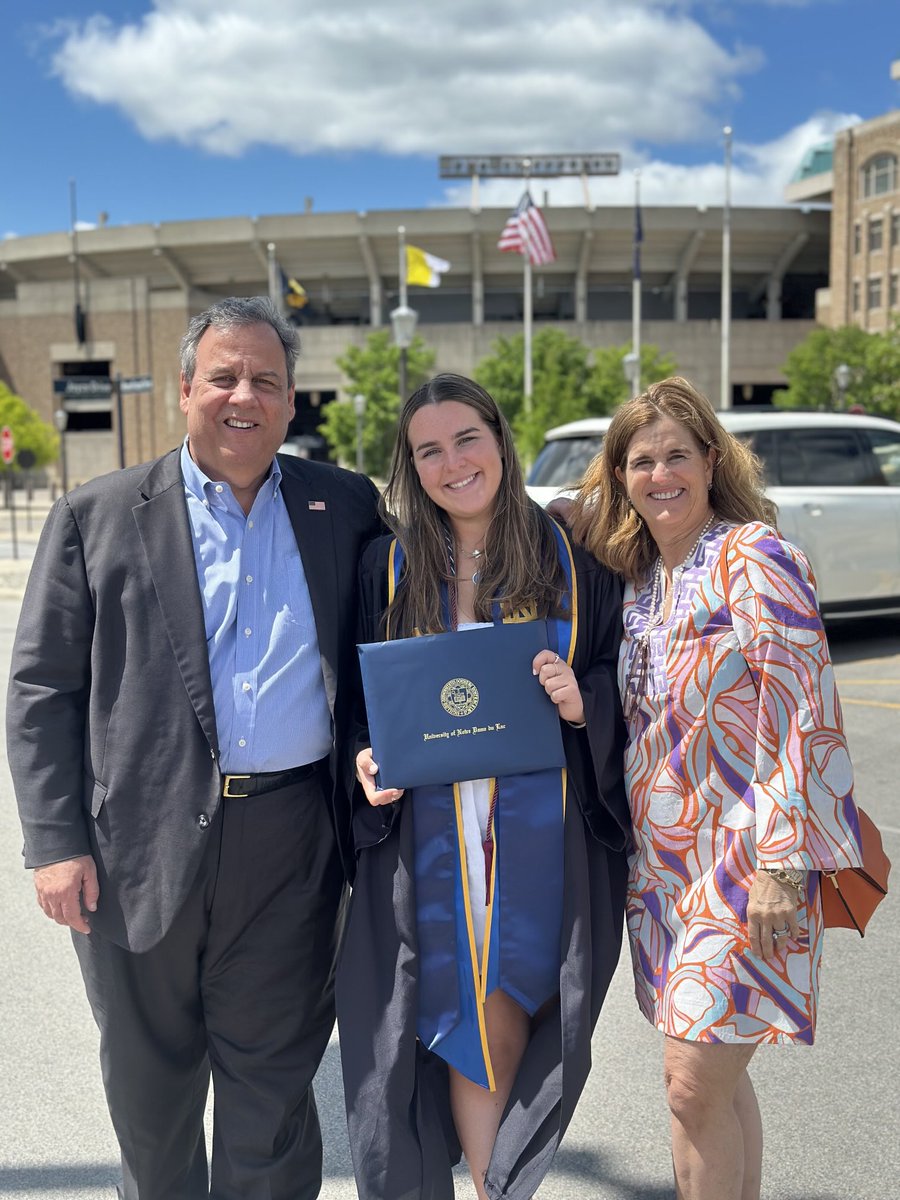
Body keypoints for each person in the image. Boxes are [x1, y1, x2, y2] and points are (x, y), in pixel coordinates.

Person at [6, 297, 382, 1200]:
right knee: (151, 1096)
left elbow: (382, 648)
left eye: (266, 380)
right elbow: (41, 688)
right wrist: (55, 841)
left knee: (274, 1092)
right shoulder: (95, 516)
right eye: (223, 376)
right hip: (134, 850)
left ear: (294, 403)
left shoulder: (346, 507)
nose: (242, 395)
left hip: (294, 846)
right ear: (185, 390)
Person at [336, 373, 631, 1200]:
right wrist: (364, 757)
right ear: (411, 465)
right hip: (428, 833)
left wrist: (584, 701)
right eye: (429, 450)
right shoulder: (387, 568)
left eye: (467, 438)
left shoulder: (576, 560)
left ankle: (497, 1188)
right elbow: (358, 705)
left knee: (508, 1014)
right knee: (458, 1022)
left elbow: (619, 675)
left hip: (536, 834)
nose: (452, 462)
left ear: (499, 438)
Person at [568, 377, 864, 1200]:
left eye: (677, 455)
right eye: (640, 461)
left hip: (748, 866)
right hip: (661, 874)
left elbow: (807, 707)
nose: (660, 474)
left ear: (710, 460)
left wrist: (785, 864)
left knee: (690, 1083)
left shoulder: (754, 556)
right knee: (715, 1089)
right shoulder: (637, 581)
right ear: (620, 476)